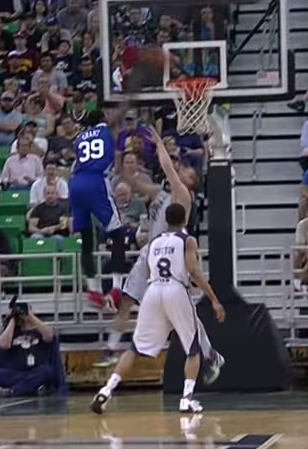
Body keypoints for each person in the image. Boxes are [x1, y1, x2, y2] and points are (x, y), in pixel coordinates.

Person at [96, 126, 224, 387]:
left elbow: (167, 168)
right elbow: (130, 181)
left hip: (171, 254)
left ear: (191, 180)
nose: (183, 170)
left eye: (188, 170)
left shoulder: (183, 196)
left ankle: (209, 355)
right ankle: (111, 348)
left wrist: (159, 145)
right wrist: (121, 156)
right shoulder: (161, 193)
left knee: (183, 320)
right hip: (151, 254)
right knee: (128, 300)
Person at [90, 203, 225, 415]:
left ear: (166, 220)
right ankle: (186, 399)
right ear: (184, 221)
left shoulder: (153, 243)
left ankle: (106, 390)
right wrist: (214, 299)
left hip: (153, 291)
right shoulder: (187, 240)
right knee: (193, 348)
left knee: (135, 348)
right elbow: (194, 271)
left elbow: (147, 271)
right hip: (175, 289)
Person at [69, 108, 129, 307]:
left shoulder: (79, 138)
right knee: (118, 234)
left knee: (86, 238)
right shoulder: (108, 131)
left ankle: (93, 289)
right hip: (96, 181)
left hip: (76, 182)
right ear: (103, 118)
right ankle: (116, 288)